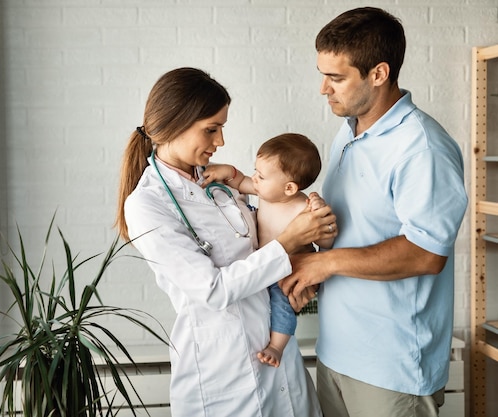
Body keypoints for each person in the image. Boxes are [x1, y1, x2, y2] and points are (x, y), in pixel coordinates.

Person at [115, 67, 336, 417]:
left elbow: (258, 243)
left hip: (279, 354)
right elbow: (214, 290)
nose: (220, 142)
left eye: (222, 128)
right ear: (175, 124)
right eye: (211, 129)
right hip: (224, 373)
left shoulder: (217, 181)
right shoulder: (146, 204)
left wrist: (299, 270)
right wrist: (289, 242)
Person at [280, 7, 468, 417]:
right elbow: (353, 232)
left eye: (336, 77)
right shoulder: (347, 133)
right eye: (322, 73)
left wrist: (323, 265)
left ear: (378, 73)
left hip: (392, 370)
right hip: (336, 354)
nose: (323, 89)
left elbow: (426, 253)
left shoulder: (423, 147)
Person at [202, 133, 334, 367]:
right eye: (256, 171)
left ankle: (277, 346)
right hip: (266, 265)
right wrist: (227, 172)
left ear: (290, 187)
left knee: (281, 305)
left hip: (290, 272)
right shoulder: (267, 192)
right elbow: (241, 181)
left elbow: (326, 239)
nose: (254, 179)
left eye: (261, 176)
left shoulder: (301, 207)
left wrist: (320, 211)